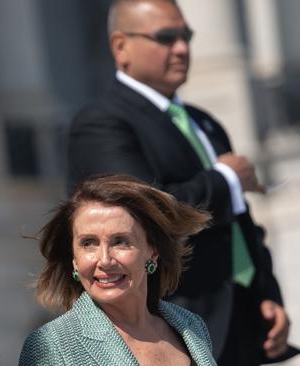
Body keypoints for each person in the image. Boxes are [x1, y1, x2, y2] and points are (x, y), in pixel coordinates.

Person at [66, 1, 297, 364]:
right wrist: (225, 179)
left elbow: (242, 224)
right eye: (166, 37)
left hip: (244, 323)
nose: (182, 48)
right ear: (120, 47)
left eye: (185, 36)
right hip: (175, 326)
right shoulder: (101, 123)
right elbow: (147, 214)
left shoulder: (203, 122)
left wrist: (267, 293)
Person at [19, 175, 215, 366]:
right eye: (88, 243)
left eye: (120, 241)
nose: (104, 260)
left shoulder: (191, 325)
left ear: (153, 251)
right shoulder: (51, 346)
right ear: (74, 259)